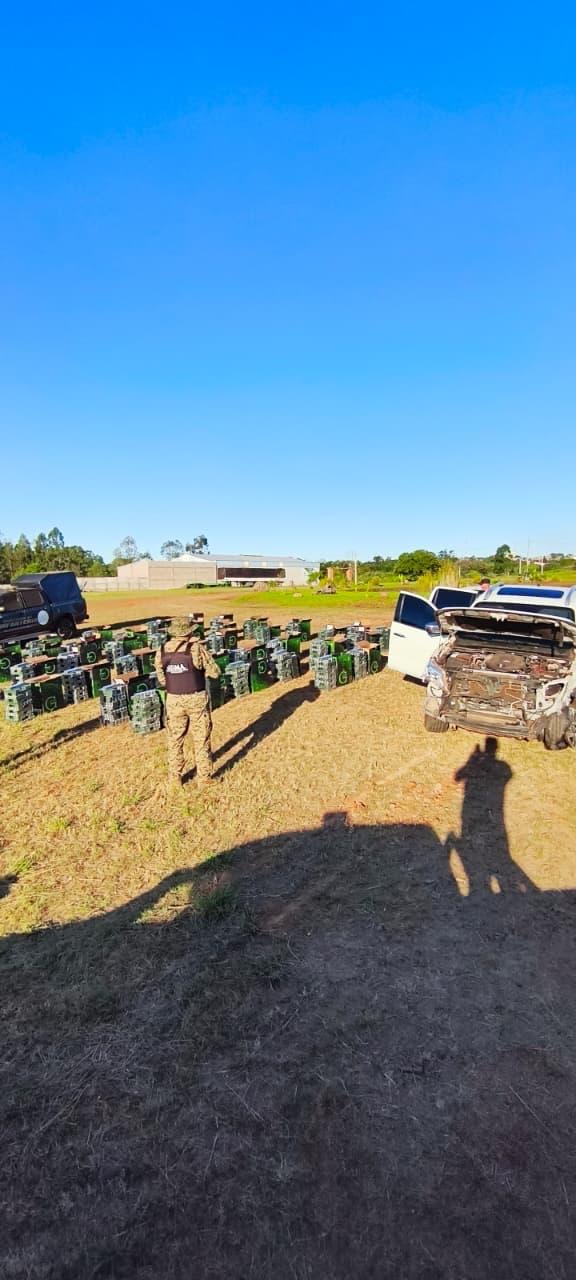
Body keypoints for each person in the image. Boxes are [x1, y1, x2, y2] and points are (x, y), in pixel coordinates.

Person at [154, 617, 221, 790]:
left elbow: (162, 679)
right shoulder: (196, 648)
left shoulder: (162, 650)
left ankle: (175, 779)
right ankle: (204, 779)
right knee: (201, 738)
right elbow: (215, 672)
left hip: (173, 700)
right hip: (196, 699)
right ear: (189, 631)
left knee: (175, 740)